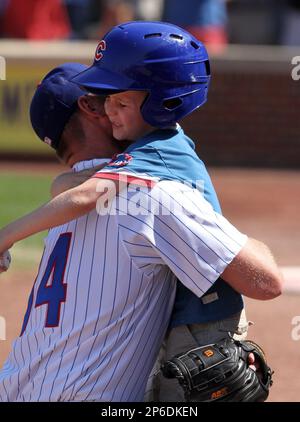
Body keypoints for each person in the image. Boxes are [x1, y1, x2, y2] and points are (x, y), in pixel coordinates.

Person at [0, 23, 283, 402]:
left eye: (118, 96)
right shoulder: (149, 195)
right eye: (106, 98)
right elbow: (266, 282)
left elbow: (77, 189)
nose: (111, 106)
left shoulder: (61, 218)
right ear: (90, 108)